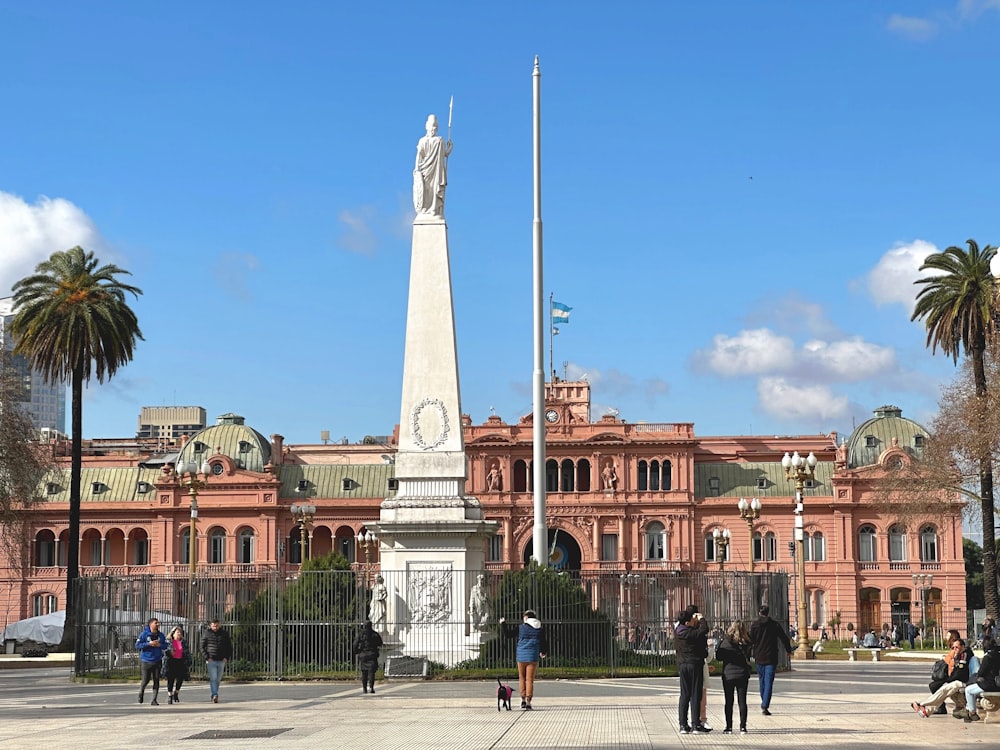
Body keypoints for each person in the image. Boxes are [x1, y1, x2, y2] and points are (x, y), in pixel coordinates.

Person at [911, 637, 974, 717]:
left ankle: (922, 704)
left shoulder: (964, 655)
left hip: (964, 682)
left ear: (962, 647)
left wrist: (949, 680)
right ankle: (926, 711)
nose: (955, 649)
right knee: (942, 693)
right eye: (953, 647)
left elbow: (961, 673)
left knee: (943, 690)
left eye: (957, 647)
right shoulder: (958, 655)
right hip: (958, 681)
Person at [499, 609, 548, 710]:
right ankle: (529, 701)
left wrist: (503, 623)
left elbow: (508, 634)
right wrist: (543, 652)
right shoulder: (540, 629)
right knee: (529, 680)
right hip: (533, 657)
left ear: (526, 617)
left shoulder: (521, 628)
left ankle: (523, 700)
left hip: (521, 656)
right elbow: (543, 642)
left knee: (522, 678)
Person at [749, 605, 793, 716]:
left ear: (759, 612)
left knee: (762, 680)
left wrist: (747, 655)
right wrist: (788, 650)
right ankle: (765, 705)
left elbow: (750, 641)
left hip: (759, 656)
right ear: (768, 613)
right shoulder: (774, 625)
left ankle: (763, 701)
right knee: (769, 681)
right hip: (771, 657)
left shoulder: (755, 625)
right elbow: (784, 638)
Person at [674, 606, 712, 734]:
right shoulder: (692, 633)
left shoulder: (678, 631)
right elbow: (704, 630)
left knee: (684, 694)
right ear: (687, 622)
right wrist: (701, 619)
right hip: (695, 664)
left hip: (683, 665)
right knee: (696, 694)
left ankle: (683, 725)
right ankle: (696, 724)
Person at [717, 620, 753, 735]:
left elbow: (719, 657)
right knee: (742, 701)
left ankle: (728, 727)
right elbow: (748, 656)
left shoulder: (725, 642)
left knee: (729, 701)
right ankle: (743, 727)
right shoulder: (747, 642)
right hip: (742, 674)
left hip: (728, 674)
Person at [413, 114, 452, 217]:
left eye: (435, 126)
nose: (433, 128)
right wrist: (416, 169)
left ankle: (434, 209)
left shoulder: (439, 141)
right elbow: (419, 155)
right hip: (425, 170)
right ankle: (424, 209)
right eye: (431, 125)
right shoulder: (422, 141)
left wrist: (450, 148)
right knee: (425, 190)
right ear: (426, 126)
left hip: (436, 171)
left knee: (435, 189)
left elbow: (445, 154)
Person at [957, 636, 1000, 722]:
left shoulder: (988, 657)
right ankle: (969, 710)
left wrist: (978, 677)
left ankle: (971, 712)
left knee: (968, 690)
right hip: (996, 683)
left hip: (989, 684)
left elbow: (981, 672)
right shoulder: (998, 655)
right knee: (973, 687)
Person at [201, 618, 233, 704]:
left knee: (218, 679)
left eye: (217, 625)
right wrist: (207, 657)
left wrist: (226, 657)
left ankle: (214, 694)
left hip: (221, 659)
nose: (215, 627)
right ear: (210, 626)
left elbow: (229, 646)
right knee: (213, 678)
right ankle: (215, 694)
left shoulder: (224, 634)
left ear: (219, 625)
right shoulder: (207, 633)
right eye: (213, 625)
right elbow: (202, 647)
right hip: (211, 659)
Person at [135, 617, 165, 705]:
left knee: (156, 680)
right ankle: (141, 692)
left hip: (157, 660)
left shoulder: (161, 635)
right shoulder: (144, 634)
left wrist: (160, 645)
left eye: (158, 623)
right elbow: (137, 645)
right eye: (156, 623)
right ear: (150, 624)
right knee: (146, 680)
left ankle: (154, 699)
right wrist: (149, 644)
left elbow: (165, 645)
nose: (158, 624)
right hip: (146, 660)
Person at [162, 625, 191, 705]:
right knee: (170, 679)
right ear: (173, 633)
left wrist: (189, 661)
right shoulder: (168, 641)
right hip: (171, 662)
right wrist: (169, 652)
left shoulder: (183, 642)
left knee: (180, 679)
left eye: (180, 632)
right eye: (177, 632)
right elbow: (164, 651)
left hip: (181, 662)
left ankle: (176, 692)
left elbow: (187, 652)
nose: (179, 634)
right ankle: (170, 695)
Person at [353, 620, 383, 695]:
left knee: (364, 672)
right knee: (371, 672)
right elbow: (380, 643)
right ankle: (371, 687)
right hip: (372, 654)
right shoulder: (375, 634)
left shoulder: (361, 634)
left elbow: (355, 644)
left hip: (363, 655)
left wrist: (356, 651)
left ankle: (364, 688)